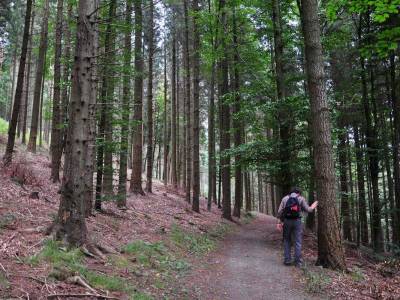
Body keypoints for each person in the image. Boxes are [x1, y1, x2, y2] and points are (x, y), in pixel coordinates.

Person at [276, 187, 318, 267]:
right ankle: (298, 262)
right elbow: (308, 210)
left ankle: (287, 260)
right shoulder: (301, 198)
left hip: (287, 221)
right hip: (297, 222)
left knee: (287, 240)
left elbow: (279, 212)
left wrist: (279, 223)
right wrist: (313, 206)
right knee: (297, 241)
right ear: (298, 193)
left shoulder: (285, 198)